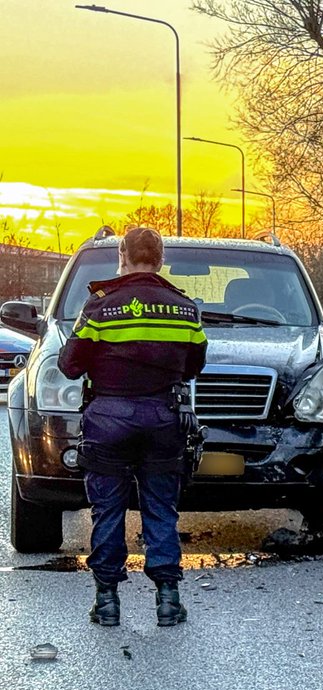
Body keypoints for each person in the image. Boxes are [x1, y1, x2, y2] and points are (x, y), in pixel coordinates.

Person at [58, 226, 207, 628]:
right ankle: (168, 601)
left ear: (121, 257)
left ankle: (107, 602)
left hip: (109, 419)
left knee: (108, 509)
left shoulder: (100, 305)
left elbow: (70, 365)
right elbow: (195, 365)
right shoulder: (182, 306)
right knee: (161, 508)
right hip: (164, 419)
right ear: (160, 260)